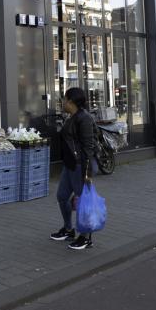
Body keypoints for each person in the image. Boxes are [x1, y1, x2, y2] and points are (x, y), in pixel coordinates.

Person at [50, 87, 97, 250]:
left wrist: (87, 173)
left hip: (80, 166)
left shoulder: (84, 119)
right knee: (62, 196)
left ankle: (85, 237)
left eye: (64, 99)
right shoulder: (72, 117)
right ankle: (69, 229)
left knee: (82, 201)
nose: (62, 102)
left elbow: (88, 147)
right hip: (70, 165)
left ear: (71, 101)